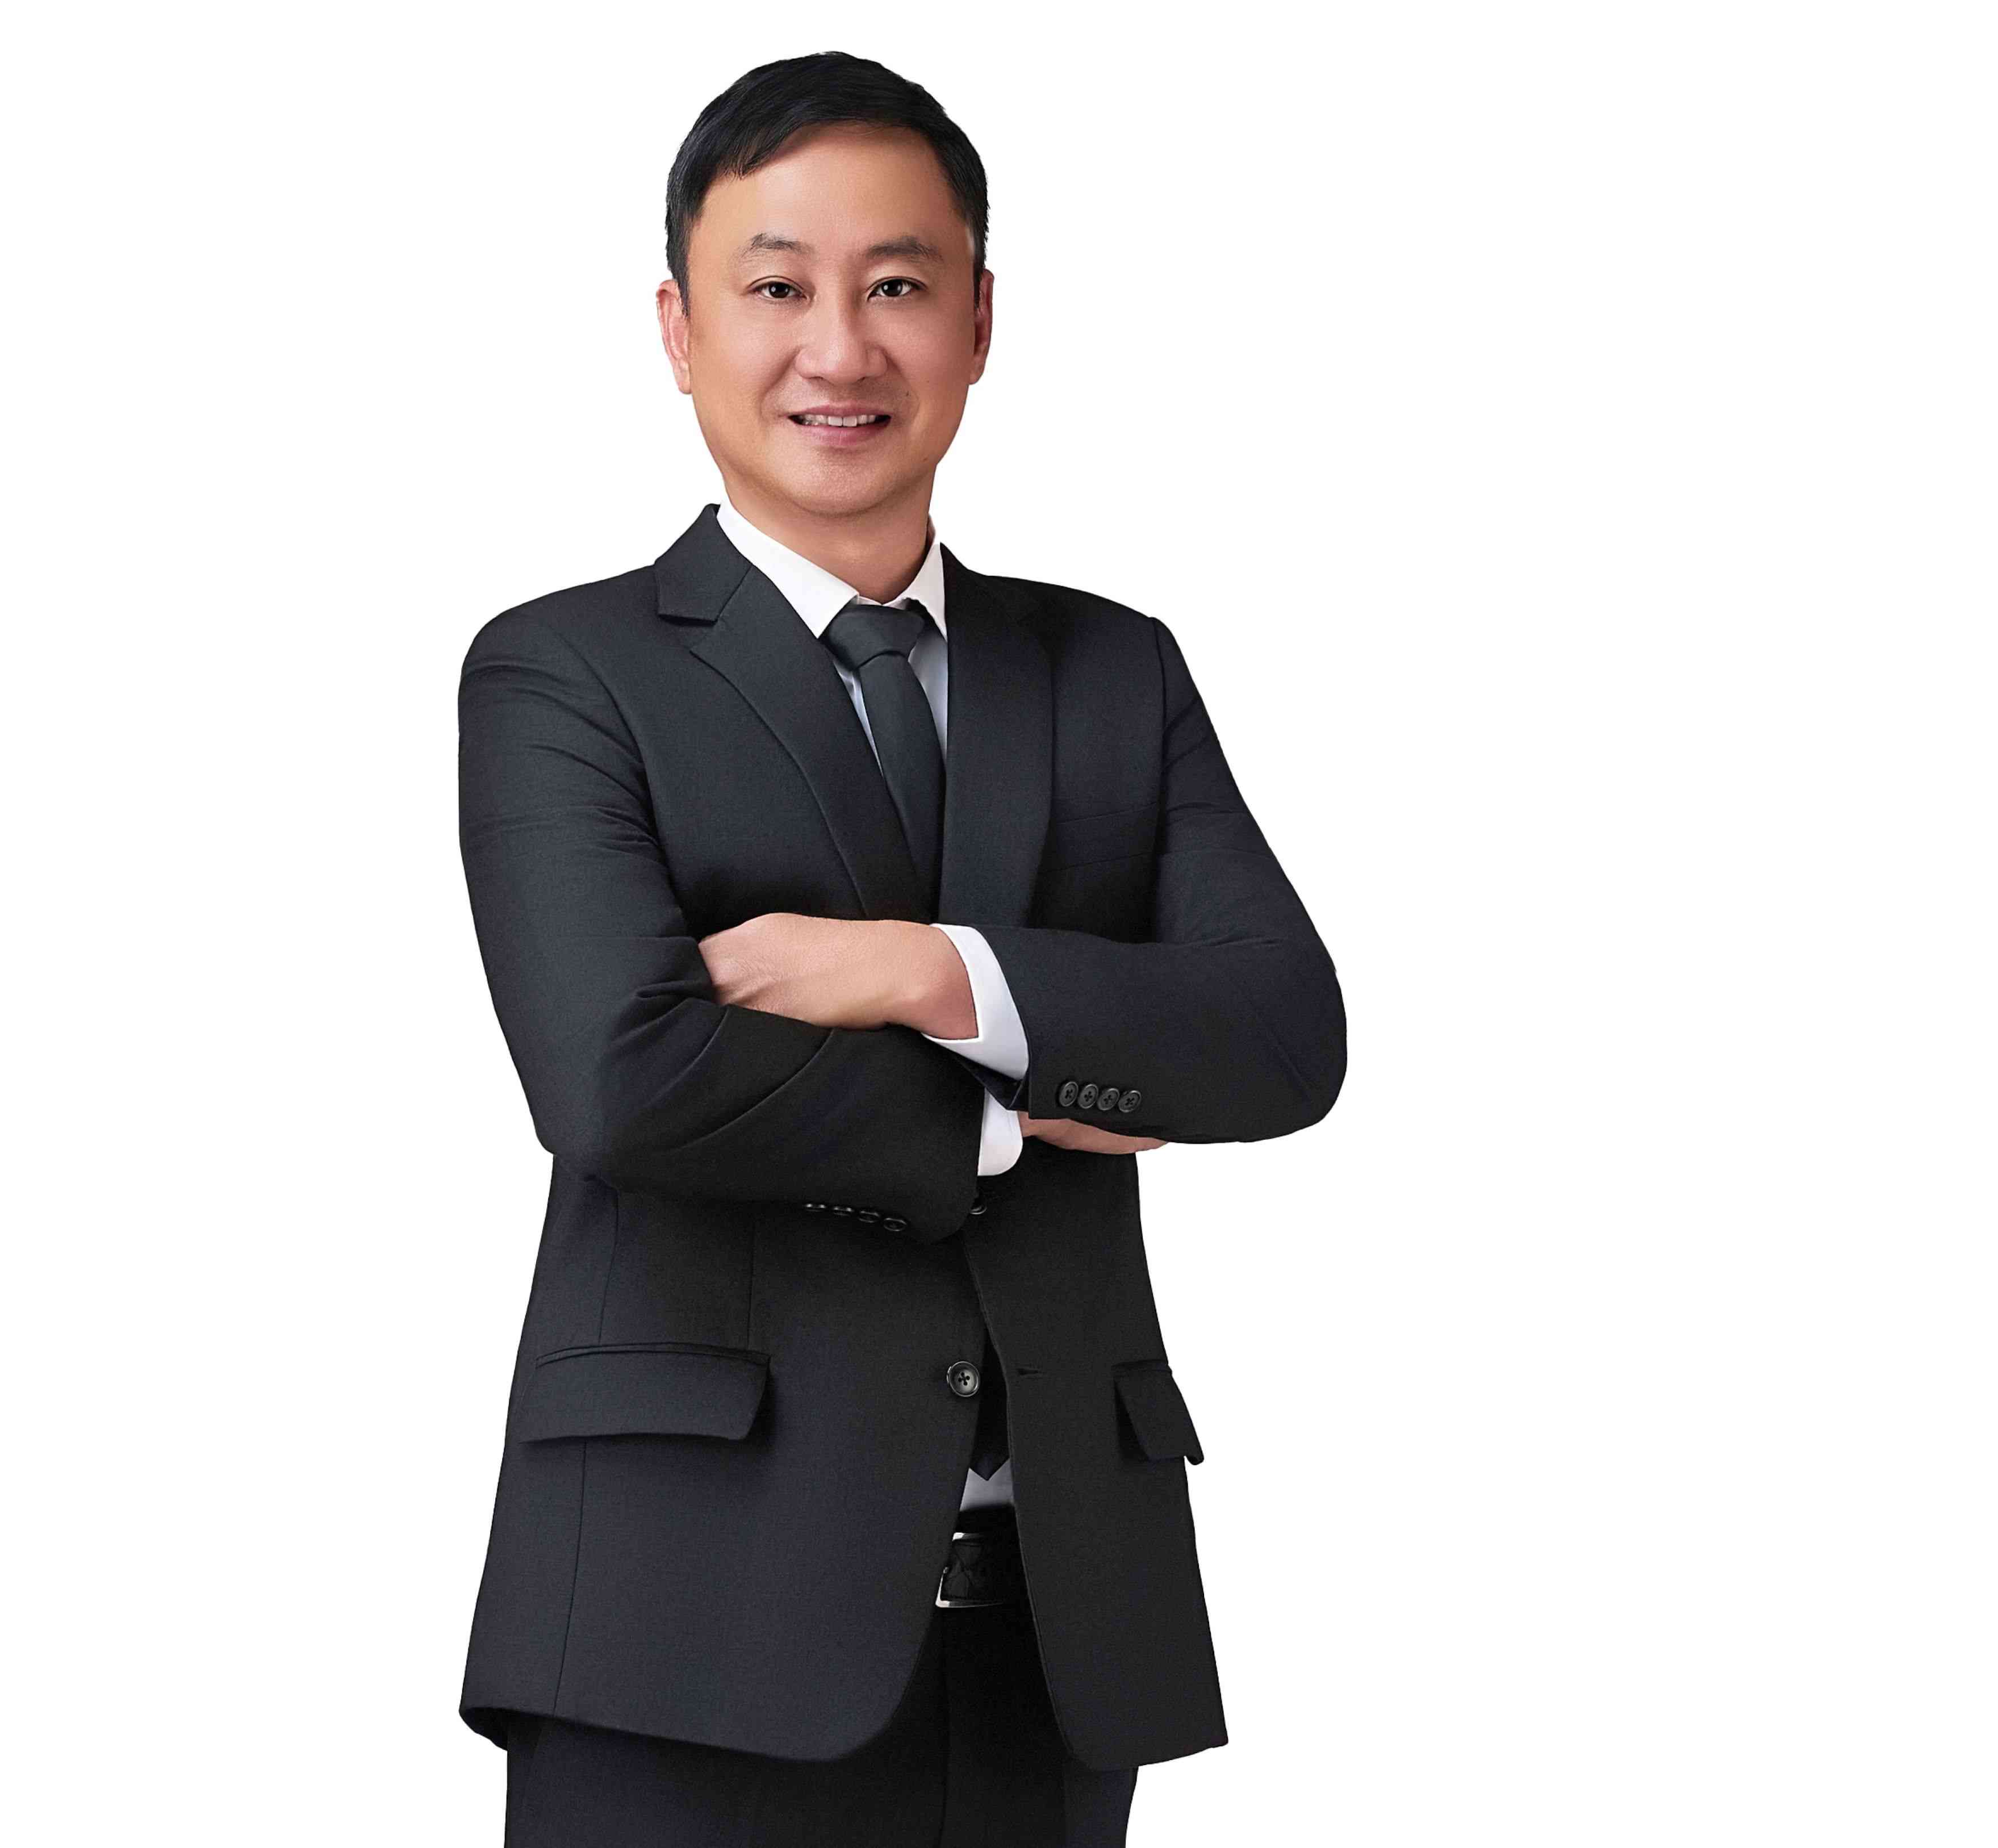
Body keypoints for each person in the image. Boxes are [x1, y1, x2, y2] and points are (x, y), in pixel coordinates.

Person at [455, 49, 1345, 1846]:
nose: (839, 349)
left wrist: (931, 975)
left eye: (897, 286)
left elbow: (1277, 1036)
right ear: (678, 328)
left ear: (980, 320)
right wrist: (1014, 1112)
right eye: (777, 288)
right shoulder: (565, 672)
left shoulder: (1109, 670)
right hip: (679, 1621)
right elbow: (624, 1077)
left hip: (1053, 1634)